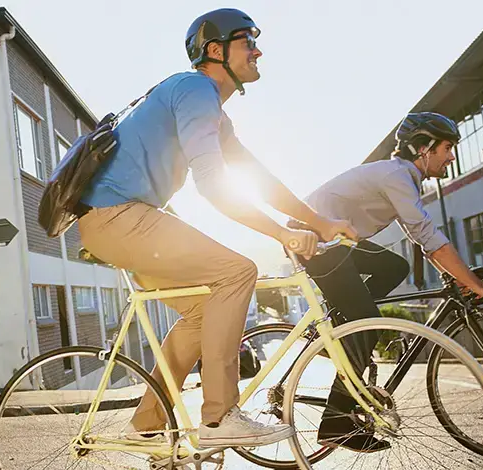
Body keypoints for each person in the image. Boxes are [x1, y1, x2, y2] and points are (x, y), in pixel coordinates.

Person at [77, 8, 357, 449]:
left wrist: (319, 223)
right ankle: (219, 417)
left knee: (202, 309)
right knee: (237, 272)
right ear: (215, 50)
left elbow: (255, 174)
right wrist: (281, 234)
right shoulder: (195, 88)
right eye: (248, 41)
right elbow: (212, 185)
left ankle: (146, 426)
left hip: (121, 219)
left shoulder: (211, 111)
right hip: (118, 216)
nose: (259, 50)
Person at [292, 111, 483, 452]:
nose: (452, 156)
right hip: (314, 242)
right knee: (366, 325)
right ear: (424, 149)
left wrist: (462, 276)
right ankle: (336, 422)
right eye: (447, 147)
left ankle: (344, 320)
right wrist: (478, 286)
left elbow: (425, 240)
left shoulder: (404, 178)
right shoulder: (395, 176)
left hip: (337, 244)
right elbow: (428, 236)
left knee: (393, 267)